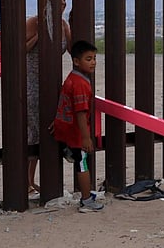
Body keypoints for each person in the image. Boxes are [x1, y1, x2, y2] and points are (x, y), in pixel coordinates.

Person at [25, 0, 72, 195]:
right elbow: (21, 48)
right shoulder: (33, 22)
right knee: (33, 130)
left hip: (53, 83)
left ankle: (47, 180)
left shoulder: (63, 25)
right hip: (32, 83)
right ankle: (27, 181)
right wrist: (40, 34)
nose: (63, 2)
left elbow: (72, 50)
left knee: (50, 128)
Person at [53, 40, 104, 213]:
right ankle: (86, 200)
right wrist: (85, 137)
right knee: (82, 164)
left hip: (65, 128)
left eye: (94, 58)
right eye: (88, 59)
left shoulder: (72, 78)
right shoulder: (81, 84)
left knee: (80, 161)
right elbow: (81, 112)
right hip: (76, 133)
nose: (93, 62)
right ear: (76, 61)